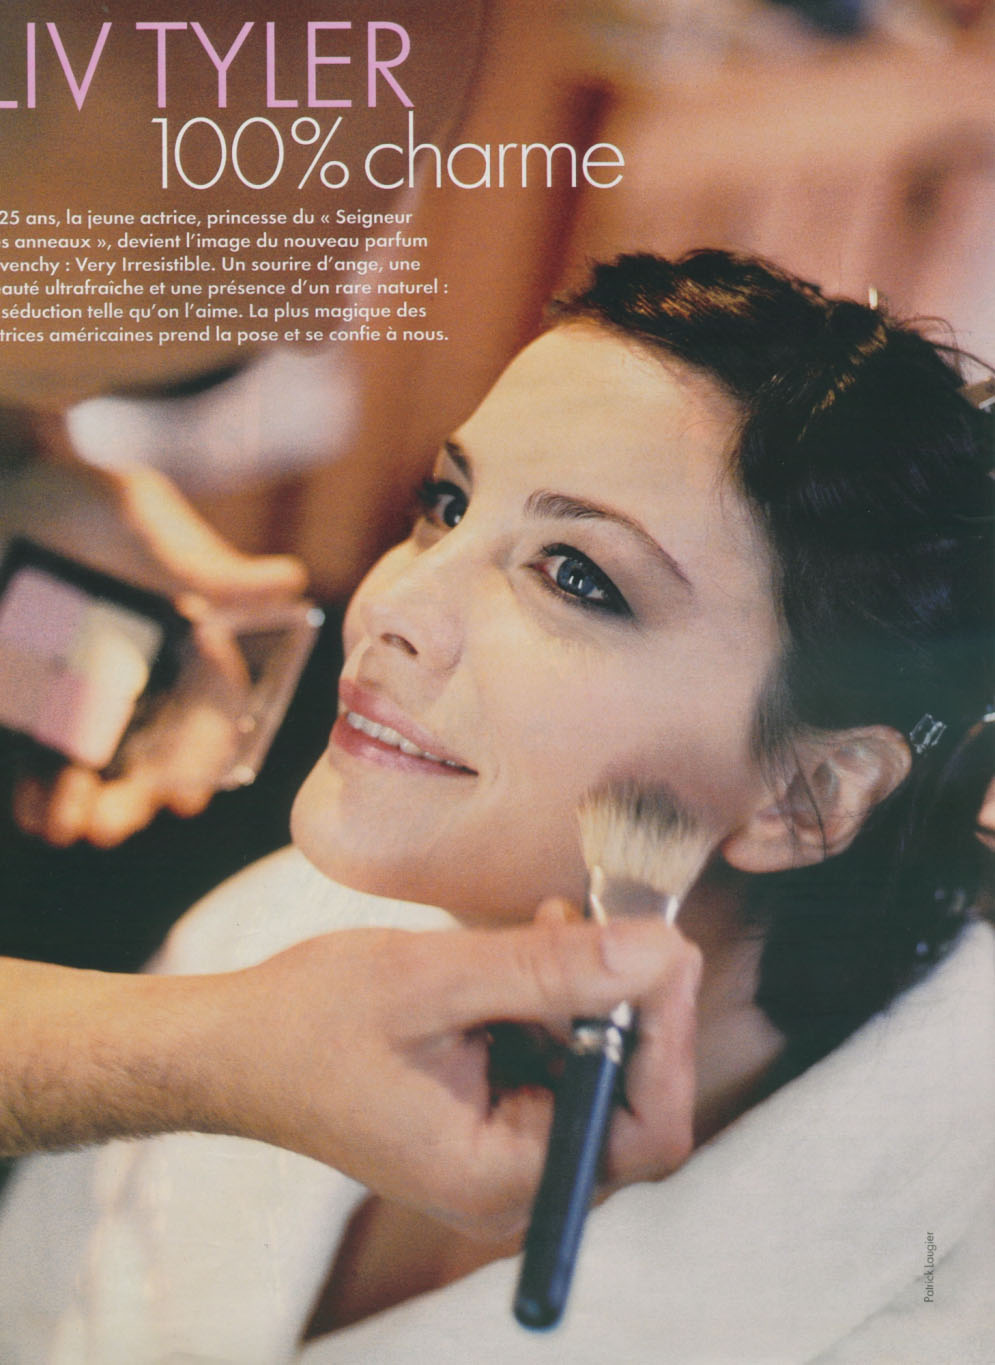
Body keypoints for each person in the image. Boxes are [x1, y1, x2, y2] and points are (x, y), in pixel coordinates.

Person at [1, 248, 992, 1363]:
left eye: (574, 575)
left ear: (807, 794)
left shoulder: (946, 1296)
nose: (392, 601)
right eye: (446, 504)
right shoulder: (273, 928)